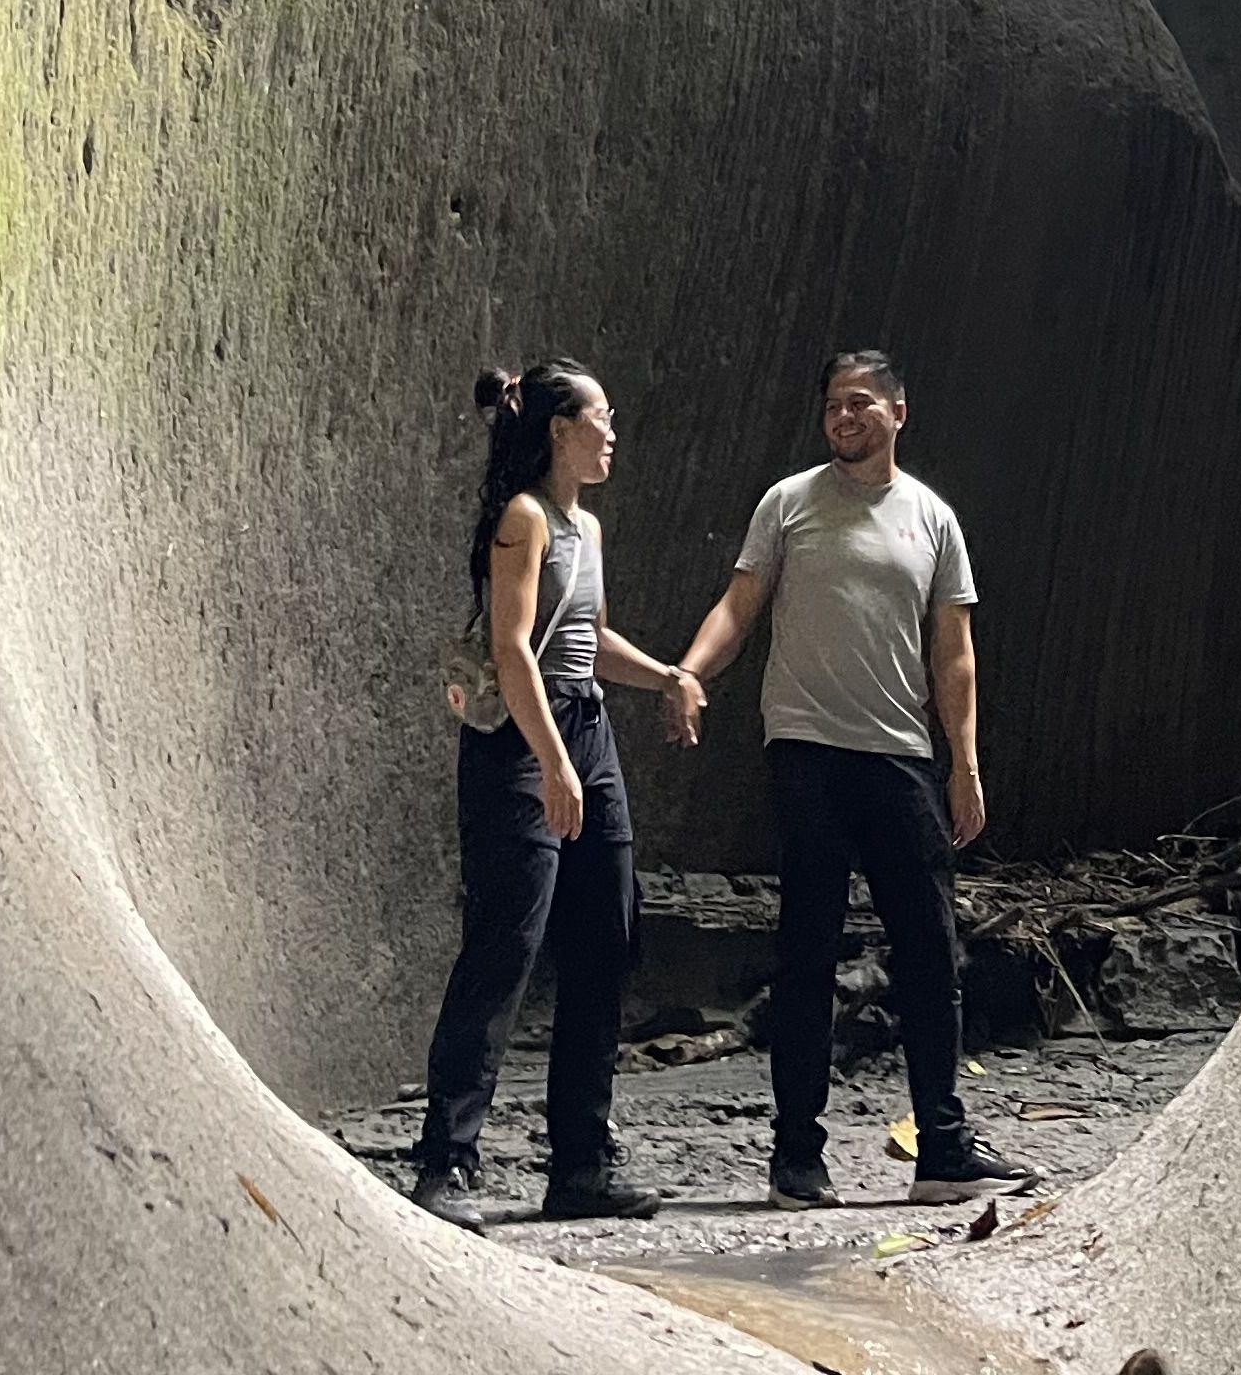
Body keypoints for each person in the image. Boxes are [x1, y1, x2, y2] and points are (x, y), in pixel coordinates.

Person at [671, 349, 1037, 1209]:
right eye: (834, 404)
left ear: (898, 413)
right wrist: (692, 672)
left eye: (861, 403)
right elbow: (739, 604)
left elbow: (955, 655)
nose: (844, 417)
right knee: (807, 952)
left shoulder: (932, 520)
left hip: (902, 756)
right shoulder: (790, 504)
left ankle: (941, 1148)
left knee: (927, 953)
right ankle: (797, 1155)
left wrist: (965, 765)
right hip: (807, 751)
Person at [409, 358, 706, 1227]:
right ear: (558, 431)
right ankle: (445, 1161)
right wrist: (552, 763)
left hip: (586, 728)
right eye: (601, 418)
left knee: (605, 938)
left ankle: (579, 1162)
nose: (613, 433)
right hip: (519, 744)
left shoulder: (589, 528)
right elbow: (511, 649)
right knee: (507, 942)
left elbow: (590, 639)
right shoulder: (523, 520)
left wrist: (669, 678)